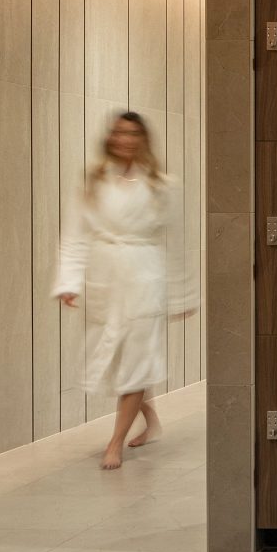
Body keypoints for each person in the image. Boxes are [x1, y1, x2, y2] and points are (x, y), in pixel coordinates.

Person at [54, 112, 197, 469]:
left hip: (145, 277)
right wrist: (68, 280)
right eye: (119, 132)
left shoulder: (163, 185)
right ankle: (150, 422)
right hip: (106, 277)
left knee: (136, 358)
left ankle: (114, 443)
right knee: (119, 359)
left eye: (132, 133)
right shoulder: (95, 182)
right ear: (110, 137)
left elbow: (180, 242)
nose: (125, 139)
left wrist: (183, 294)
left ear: (143, 138)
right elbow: (74, 234)